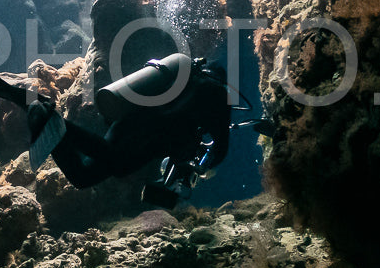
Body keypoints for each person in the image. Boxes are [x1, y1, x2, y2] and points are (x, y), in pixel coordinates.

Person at [27, 54, 231, 207]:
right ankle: (53, 119)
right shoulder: (218, 94)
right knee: (115, 160)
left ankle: (51, 126)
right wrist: (204, 164)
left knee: (85, 177)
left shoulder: (182, 81)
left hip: (130, 118)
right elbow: (221, 147)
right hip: (153, 133)